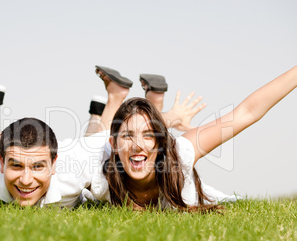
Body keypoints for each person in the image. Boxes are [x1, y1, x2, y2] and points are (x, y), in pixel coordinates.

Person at [0, 67, 203, 207]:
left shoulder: (72, 167)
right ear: (2, 163)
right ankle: (111, 102)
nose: (27, 181)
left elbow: (126, 139)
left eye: (38, 168)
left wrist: (166, 118)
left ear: (54, 165)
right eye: (16, 165)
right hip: (2, 157)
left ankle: (114, 99)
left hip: (83, 148)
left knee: (97, 143)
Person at [97, 65, 297, 210]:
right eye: (128, 137)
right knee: (99, 138)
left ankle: (147, 102)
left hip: (191, 188)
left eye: (149, 135)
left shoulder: (180, 151)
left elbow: (246, 112)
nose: (137, 145)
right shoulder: (100, 170)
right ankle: (139, 100)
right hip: (108, 148)